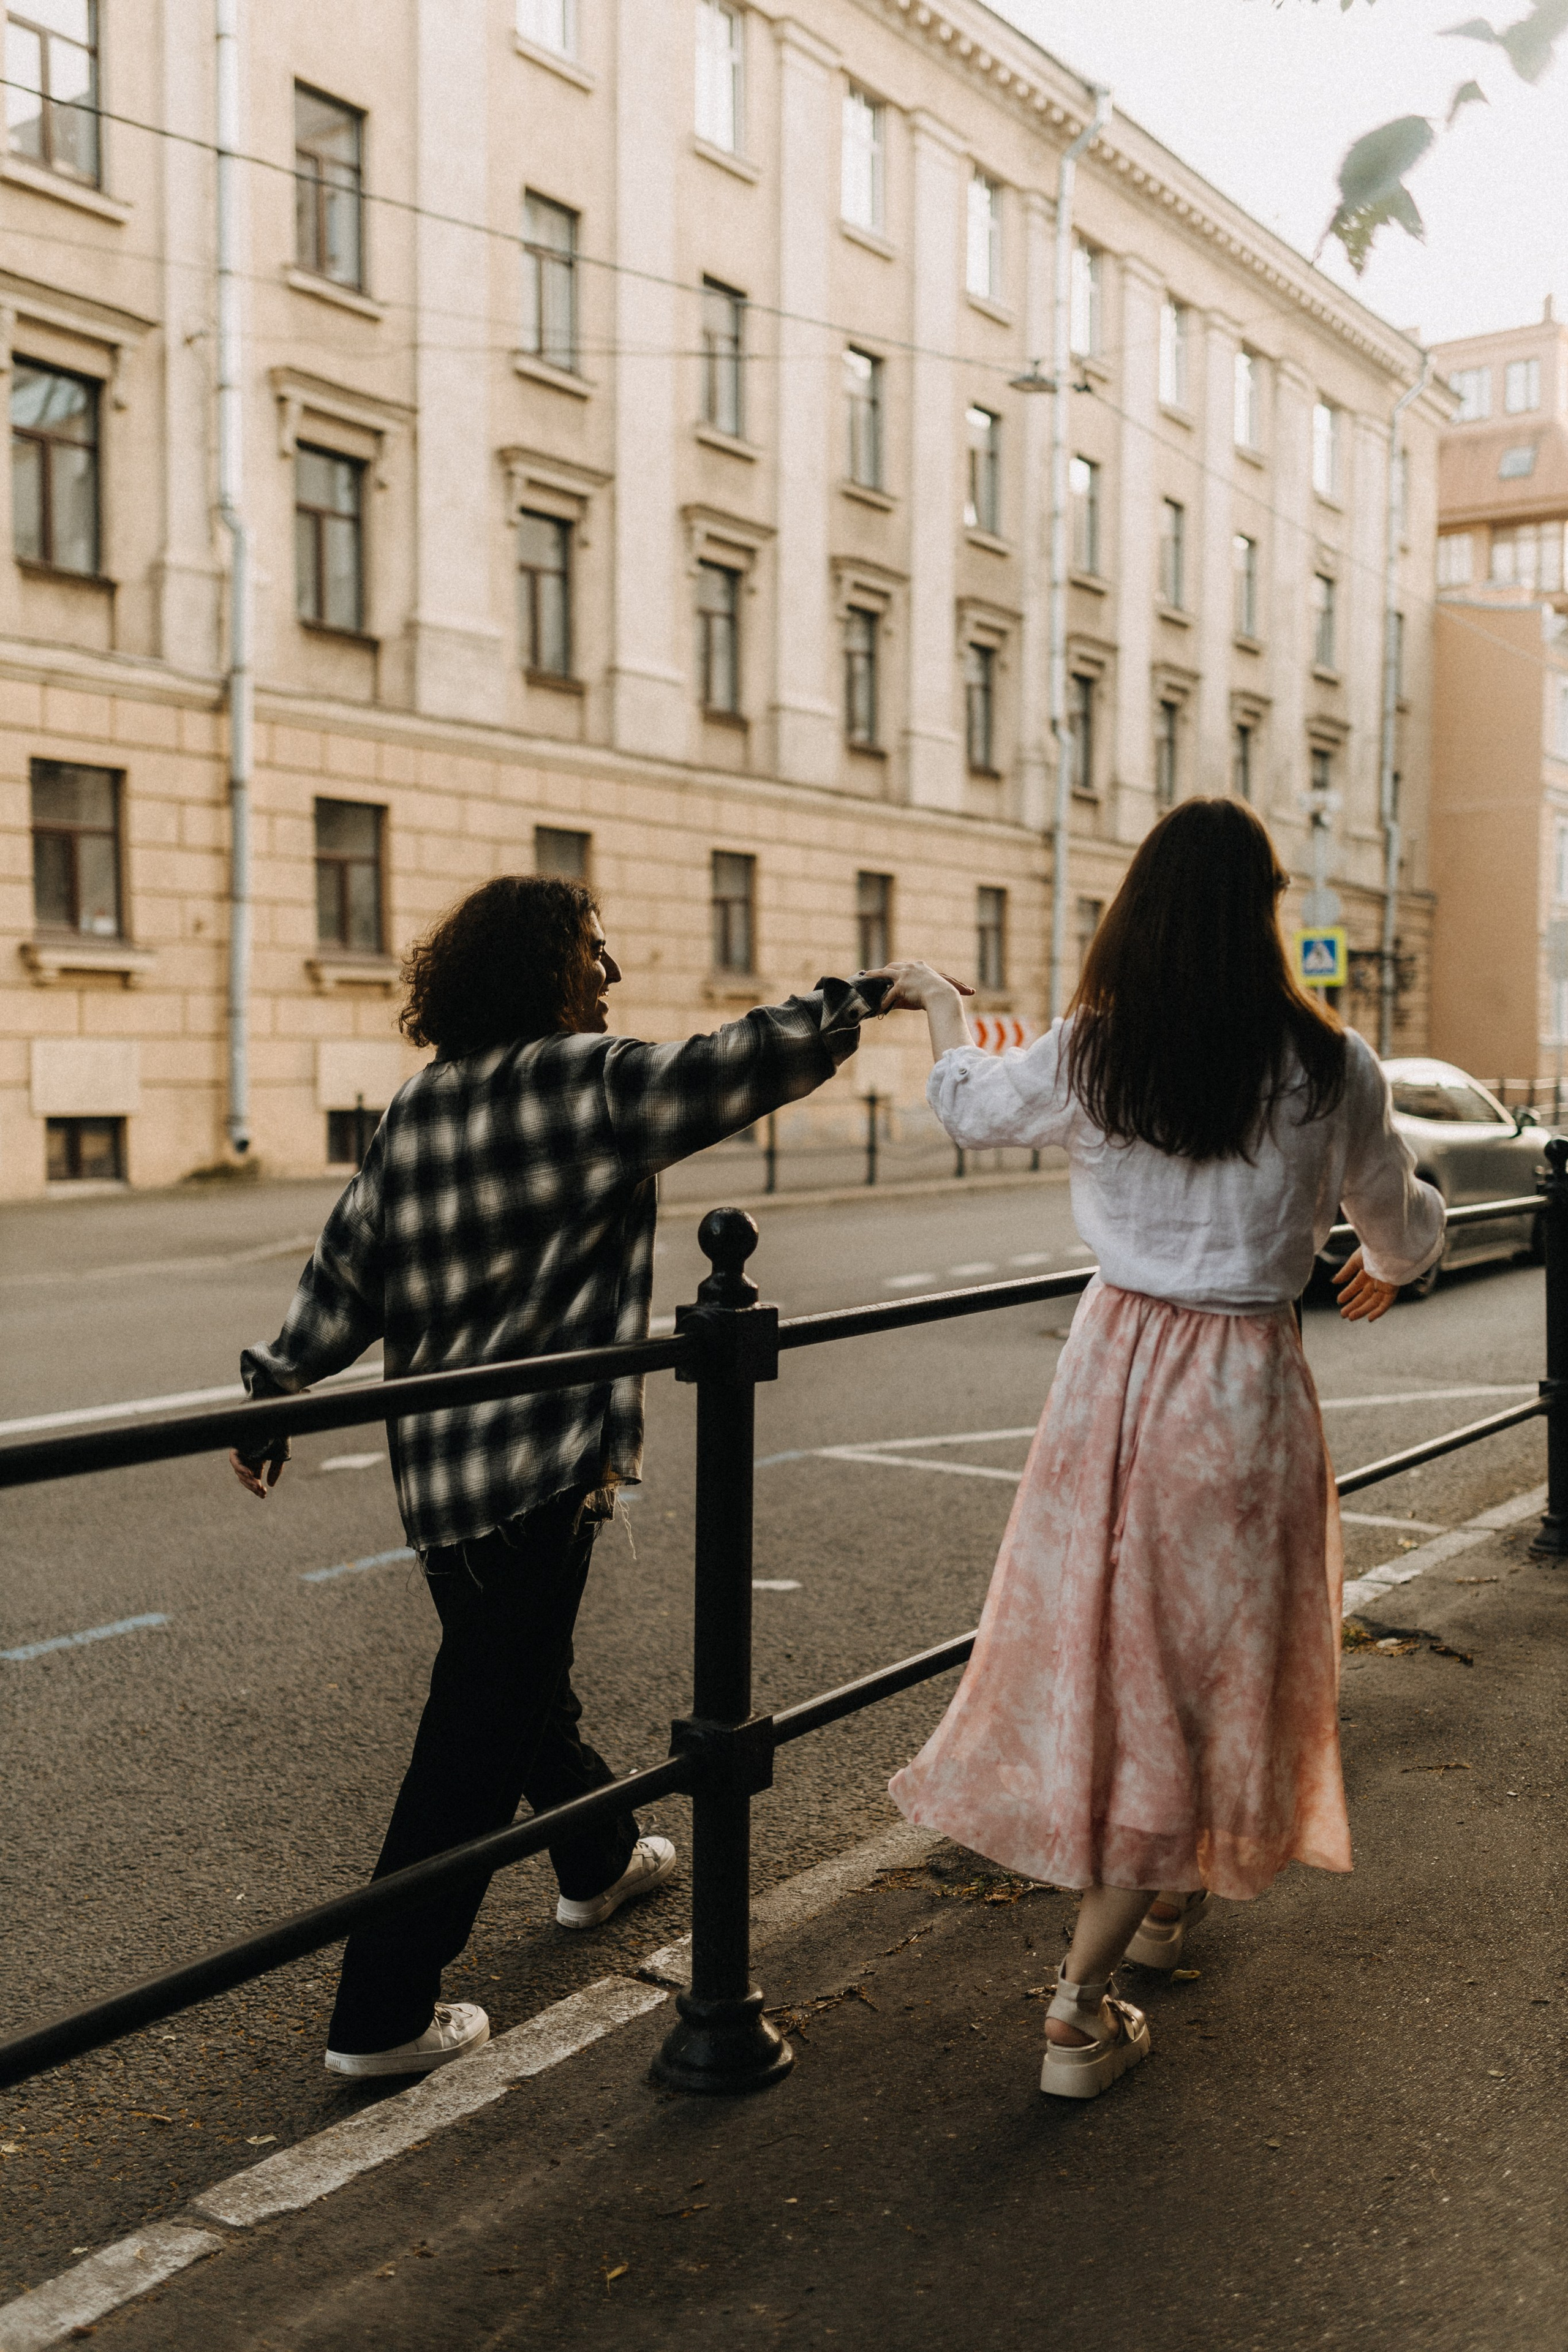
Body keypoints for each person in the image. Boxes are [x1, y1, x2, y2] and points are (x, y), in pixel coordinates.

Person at [230, 875, 883, 2080]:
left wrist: (276, 1387)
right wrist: (860, 997)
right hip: (536, 1469)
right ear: (539, 971)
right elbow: (731, 1065)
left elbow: (347, 1269)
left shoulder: (421, 1105)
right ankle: (379, 2013)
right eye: (591, 951)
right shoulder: (590, 1085)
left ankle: (596, 1862)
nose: (612, 972)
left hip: (435, 1480)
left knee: (515, 1679)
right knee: (475, 1732)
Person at [877, 799, 1444, 2101]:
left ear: (1138, 907)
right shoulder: (1325, 1064)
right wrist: (1398, 1258)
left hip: (1109, 1375)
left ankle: (1161, 1898)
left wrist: (937, 1003)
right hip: (1240, 1387)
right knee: (1201, 1666)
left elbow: (965, 1103)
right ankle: (1076, 2008)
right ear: (1259, 914)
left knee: (1111, 1653)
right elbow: (1395, 1218)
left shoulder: (1095, 1052)